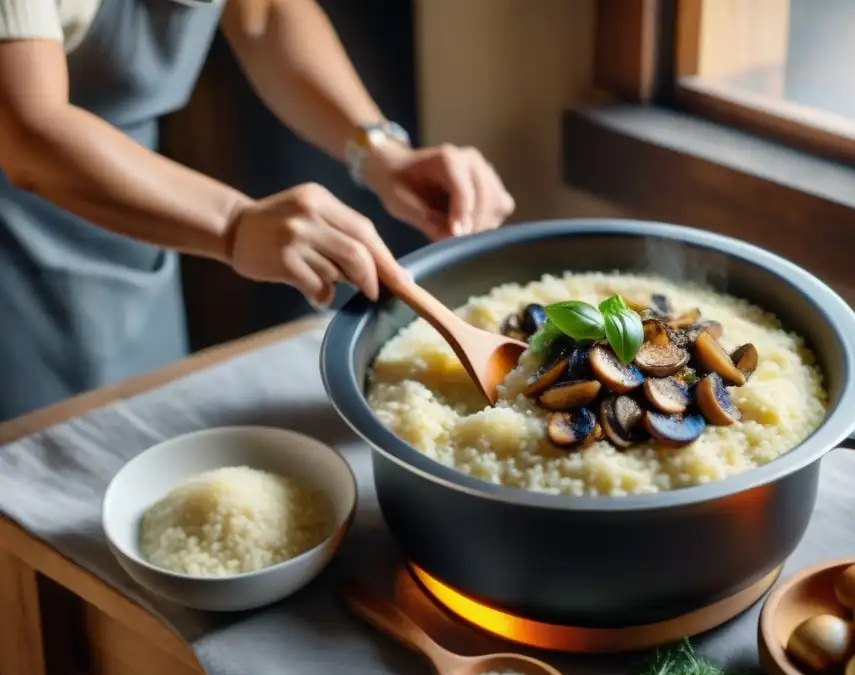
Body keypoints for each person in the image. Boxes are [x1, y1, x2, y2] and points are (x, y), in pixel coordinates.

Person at [0, 0, 515, 421]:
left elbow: (264, 12)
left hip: (131, 191)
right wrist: (232, 223)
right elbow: (28, 131)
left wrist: (379, 151)